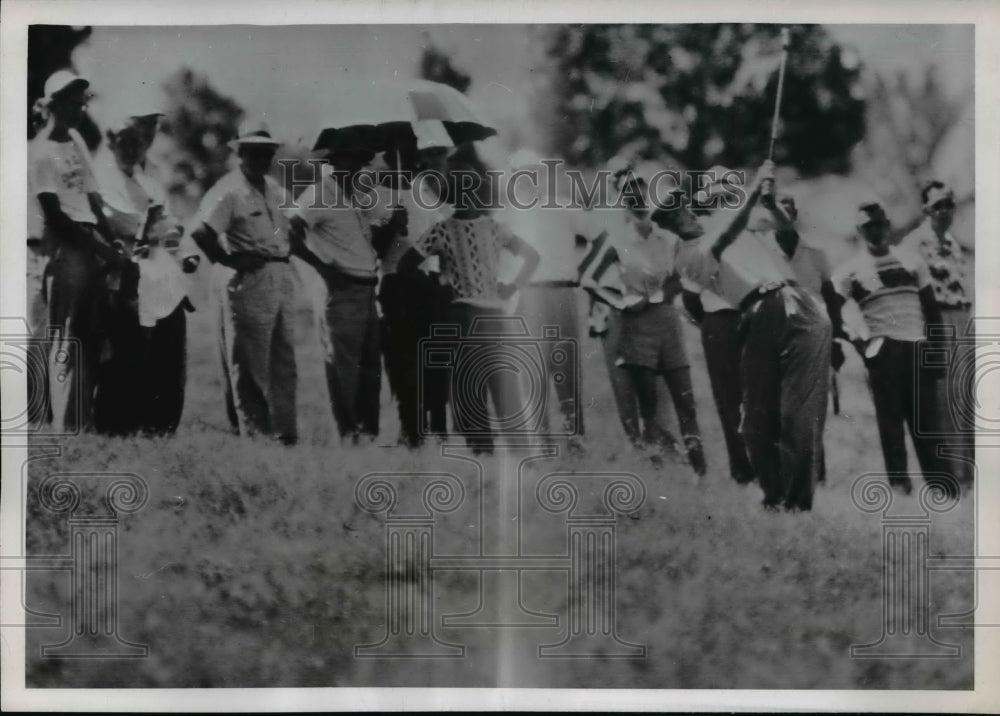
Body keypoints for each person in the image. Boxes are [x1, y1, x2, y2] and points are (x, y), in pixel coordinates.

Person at [677, 161, 833, 511]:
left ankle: (796, 505)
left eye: (725, 197)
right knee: (755, 423)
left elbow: (783, 222)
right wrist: (751, 194)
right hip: (761, 309)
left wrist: (770, 197)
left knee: (800, 415)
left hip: (801, 303)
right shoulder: (695, 249)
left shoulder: (750, 226)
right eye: (715, 200)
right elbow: (724, 235)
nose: (720, 204)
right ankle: (776, 497)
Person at [398, 152, 541, 454]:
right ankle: (508, 452)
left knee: (479, 386)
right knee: (494, 386)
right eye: (461, 190)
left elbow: (406, 265)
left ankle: (495, 451)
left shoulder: (459, 228)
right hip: (480, 315)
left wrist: (439, 288)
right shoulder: (465, 228)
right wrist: (508, 286)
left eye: (468, 189)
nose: (466, 196)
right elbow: (532, 256)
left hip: (473, 315)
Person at [582, 163, 706, 476]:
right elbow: (587, 279)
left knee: (684, 399)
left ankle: (699, 470)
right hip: (636, 327)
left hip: (667, 322)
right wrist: (620, 302)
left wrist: (661, 295)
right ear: (621, 199)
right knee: (646, 403)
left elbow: (681, 277)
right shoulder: (618, 239)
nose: (636, 196)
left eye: (640, 189)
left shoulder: (667, 237)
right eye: (628, 192)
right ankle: (654, 466)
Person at [189, 126, 298, 444]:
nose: (261, 158)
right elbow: (201, 232)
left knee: (284, 359)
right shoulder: (228, 190)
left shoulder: (274, 189)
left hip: (280, 272)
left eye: (267, 152)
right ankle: (257, 436)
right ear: (240, 154)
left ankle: (286, 434)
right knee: (250, 363)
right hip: (250, 276)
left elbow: (296, 220)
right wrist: (229, 260)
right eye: (253, 151)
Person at [31, 70, 125, 433]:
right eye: (68, 101)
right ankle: (65, 428)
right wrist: (101, 247)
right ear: (50, 104)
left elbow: (92, 199)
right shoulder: (39, 152)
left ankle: (79, 422)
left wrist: (110, 239)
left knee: (89, 334)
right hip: (65, 246)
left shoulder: (74, 141)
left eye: (80, 102)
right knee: (66, 337)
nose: (76, 109)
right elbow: (56, 217)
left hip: (88, 241)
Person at [832, 201, 948, 495]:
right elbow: (831, 315)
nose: (876, 231)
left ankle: (941, 491)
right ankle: (900, 489)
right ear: (859, 230)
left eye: (880, 224)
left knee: (928, 426)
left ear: (888, 225)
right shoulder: (850, 271)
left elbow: (931, 311)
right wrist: (861, 343)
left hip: (917, 346)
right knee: (891, 426)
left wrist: (937, 352)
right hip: (883, 351)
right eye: (868, 226)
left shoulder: (911, 261)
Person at [92, 115, 197, 434]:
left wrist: (183, 251)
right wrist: (144, 225)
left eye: (137, 142)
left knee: (167, 350)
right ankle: (117, 423)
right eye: (124, 142)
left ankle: (159, 423)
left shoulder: (150, 183)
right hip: (122, 275)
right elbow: (110, 221)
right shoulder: (101, 180)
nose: (131, 148)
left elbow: (167, 227)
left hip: (160, 275)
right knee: (126, 351)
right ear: (111, 144)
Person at [287, 145, 389, 445]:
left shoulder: (358, 194)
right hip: (342, 288)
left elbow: (370, 240)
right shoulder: (319, 193)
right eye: (347, 159)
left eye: (357, 160)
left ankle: (368, 436)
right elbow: (290, 232)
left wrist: (392, 224)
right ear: (333, 162)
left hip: (369, 287)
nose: (354, 166)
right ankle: (349, 437)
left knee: (370, 369)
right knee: (344, 369)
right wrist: (323, 269)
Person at [375, 121, 454, 447]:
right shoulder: (378, 191)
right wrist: (392, 224)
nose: (408, 152)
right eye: (400, 144)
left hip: (430, 284)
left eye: (412, 144)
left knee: (435, 361)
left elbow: (445, 237)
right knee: (403, 362)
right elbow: (375, 247)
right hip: (396, 283)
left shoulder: (425, 190)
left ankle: (438, 430)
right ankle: (411, 431)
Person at [502, 150, 586, 449]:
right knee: (532, 369)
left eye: (534, 174)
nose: (529, 181)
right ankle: (541, 443)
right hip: (528, 294)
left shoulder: (564, 207)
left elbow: (597, 237)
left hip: (562, 291)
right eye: (521, 175)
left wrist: (582, 273)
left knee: (567, 369)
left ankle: (576, 440)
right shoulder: (509, 215)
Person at [902, 181, 974, 485]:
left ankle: (969, 477)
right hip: (936, 322)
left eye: (948, 204)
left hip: (961, 319)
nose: (944, 211)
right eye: (937, 205)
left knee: (965, 396)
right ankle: (950, 478)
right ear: (925, 209)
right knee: (942, 400)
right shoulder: (914, 243)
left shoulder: (954, 243)